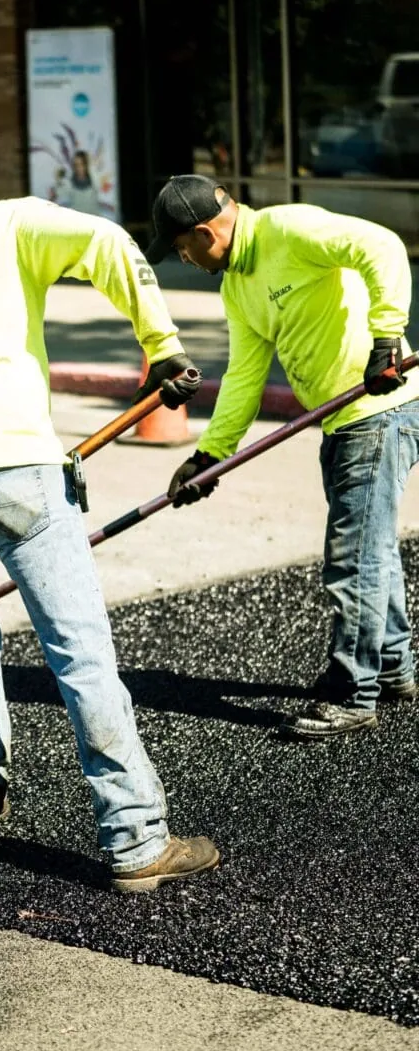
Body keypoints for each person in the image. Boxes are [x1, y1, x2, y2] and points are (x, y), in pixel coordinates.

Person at [0, 142, 219, 891]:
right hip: (11, 465)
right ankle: (135, 838)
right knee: (78, 644)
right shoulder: (10, 221)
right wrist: (161, 345)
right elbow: (110, 243)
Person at [146, 174, 419, 739]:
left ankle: (353, 693)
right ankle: (393, 667)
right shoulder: (237, 286)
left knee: (354, 559)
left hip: (380, 412)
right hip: (340, 423)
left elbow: (384, 247)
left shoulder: (289, 229)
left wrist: (387, 336)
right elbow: (246, 376)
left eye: (181, 248)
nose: (185, 260)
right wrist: (209, 456)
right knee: (370, 547)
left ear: (203, 232)